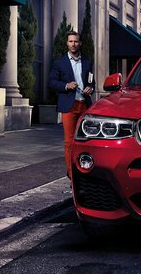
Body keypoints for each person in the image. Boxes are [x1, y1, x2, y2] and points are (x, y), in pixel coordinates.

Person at [48, 31, 95, 175]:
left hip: (85, 105)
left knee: (86, 140)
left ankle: (85, 169)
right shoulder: (59, 63)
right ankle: (71, 174)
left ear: (80, 43)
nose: (73, 44)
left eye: (76, 41)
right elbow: (52, 82)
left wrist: (91, 88)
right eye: (70, 41)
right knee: (69, 141)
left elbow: (92, 82)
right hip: (69, 105)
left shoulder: (87, 62)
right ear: (67, 43)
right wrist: (66, 85)